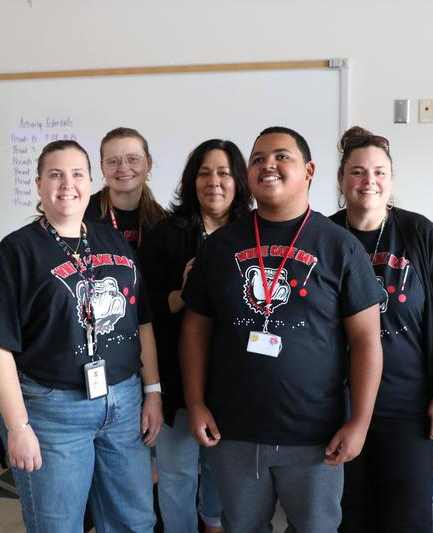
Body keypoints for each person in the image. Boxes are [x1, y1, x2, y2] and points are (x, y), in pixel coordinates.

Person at [180, 127, 385, 532]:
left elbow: (366, 341)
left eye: (281, 157)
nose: (267, 165)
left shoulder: (339, 247)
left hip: (315, 436)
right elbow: (195, 330)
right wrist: (196, 401)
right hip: (234, 430)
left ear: (308, 171)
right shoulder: (220, 246)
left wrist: (359, 422)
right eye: (257, 159)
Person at [0, 139, 163, 533]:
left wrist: (153, 391)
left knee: (135, 521)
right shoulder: (16, 252)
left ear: (91, 182)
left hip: (123, 401)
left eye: (77, 174)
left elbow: (141, 321)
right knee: (58, 526)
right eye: (55, 174)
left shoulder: (113, 241)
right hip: (52, 411)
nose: (66, 184)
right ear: (39, 184)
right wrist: (18, 428)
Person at [330, 126, 433, 532]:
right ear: (340, 179)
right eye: (357, 172)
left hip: (407, 403)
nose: (368, 181)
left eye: (378, 172)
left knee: (405, 517)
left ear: (390, 180)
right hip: (338, 402)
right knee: (350, 514)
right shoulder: (325, 236)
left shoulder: (420, 234)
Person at [139, 139, 251, 533]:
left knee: (221, 467)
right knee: (177, 470)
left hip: (234, 377)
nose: (214, 182)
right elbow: (141, 307)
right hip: (176, 374)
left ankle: (214, 524)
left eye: (223, 173)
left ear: (239, 181)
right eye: (204, 173)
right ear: (191, 181)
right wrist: (181, 295)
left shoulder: (254, 234)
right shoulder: (166, 234)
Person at [84, 127, 166, 250]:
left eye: (132, 159)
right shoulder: (83, 215)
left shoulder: (162, 221)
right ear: (102, 168)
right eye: (113, 161)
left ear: (149, 163)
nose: (123, 168)